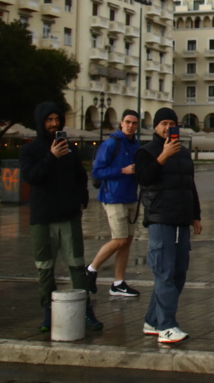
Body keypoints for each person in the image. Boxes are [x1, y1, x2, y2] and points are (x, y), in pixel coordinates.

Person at [19, 102, 102, 332]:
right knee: (45, 267)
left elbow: (79, 176)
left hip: (68, 217)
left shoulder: (70, 149)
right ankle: (48, 310)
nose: (54, 123)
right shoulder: (30, 150)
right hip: (43, 218)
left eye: (57, 119)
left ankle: (85, 311)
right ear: (40, 123)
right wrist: (51, 156)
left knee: (76, 264)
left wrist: (82, 200)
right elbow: (32, 177)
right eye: (49, 120)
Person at [136, 107, 202, 345]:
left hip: (181, 220)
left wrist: (195, 215)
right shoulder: (146, 151)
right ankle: (167, 326)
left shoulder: (183, 154)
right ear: (155, 127)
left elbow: (189, 185)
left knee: (178, 273)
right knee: (163, 273)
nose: (167, 127)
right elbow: (143, 179)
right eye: (163, 123)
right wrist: (162, 157)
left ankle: (152, 321)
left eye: (172, 123)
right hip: (160, 219)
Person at [86, 109, 141, 297]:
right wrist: (122, 170)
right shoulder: (111, 143)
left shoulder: (136, 145)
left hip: (131, 197)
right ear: (121, 123)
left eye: (134, 123)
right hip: (113, 197)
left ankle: (118, 283)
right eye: (127, 122)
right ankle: (91, 269)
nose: (130, 126)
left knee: (126, 242)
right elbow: (97, 172)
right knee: (119, 239)